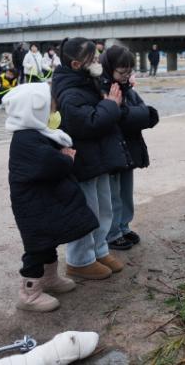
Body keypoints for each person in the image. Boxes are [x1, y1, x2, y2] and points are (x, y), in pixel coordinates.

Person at [4, 82, 99, 312]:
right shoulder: (25, 139)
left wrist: (61, 156)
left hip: (41, 201)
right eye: (50, 109)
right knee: (36, 248)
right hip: (32, 205)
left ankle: (49, 278)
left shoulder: (35, 134)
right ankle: (29, 293)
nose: (53, 113)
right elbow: (48, 163)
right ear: (33, 111)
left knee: (48, 240)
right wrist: (66, 159)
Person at [51, 37, 132, 280]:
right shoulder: (70, 91)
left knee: (103, 209)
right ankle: (80, 260)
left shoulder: (88, 81)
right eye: (93, 59)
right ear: (76, 64)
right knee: (86, 212)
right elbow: (87, 123)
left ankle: (99, 250)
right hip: (83, 161)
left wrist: (117, 97)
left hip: (97, 158)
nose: (98, 62)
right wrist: (111, 105)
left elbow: (107, 107)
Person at [100, 46, 159, 250]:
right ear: (109, 68)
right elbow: (115, 117)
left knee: (126, 192)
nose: (126, 76)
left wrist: (129, 113)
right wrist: (134, 115)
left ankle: (123, 226)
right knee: (112, 195)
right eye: (122, 72)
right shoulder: (101, 89)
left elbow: (145, 113)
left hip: (128, 148)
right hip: (111, 150)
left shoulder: (127, 89)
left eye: (129, 71)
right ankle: (112, 233)